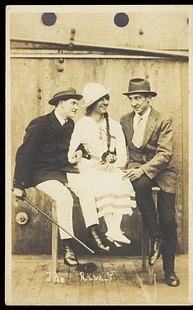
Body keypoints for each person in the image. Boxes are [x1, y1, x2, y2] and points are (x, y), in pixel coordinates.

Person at [13, 86, 110, 268]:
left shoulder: (70, 125)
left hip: (63, 170)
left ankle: (93, 231)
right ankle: (68, 248)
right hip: (42, 173)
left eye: (78, 103)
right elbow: (25, 154)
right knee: (64, 197)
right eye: (73, 103)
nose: (76, 107)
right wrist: (19, 184)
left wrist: (80, 152)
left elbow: (76, 145)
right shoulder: (40, 124)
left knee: (85, 186)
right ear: (60, 104)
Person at [120, 78, 180, 287]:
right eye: (131, 99)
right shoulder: (125, 120)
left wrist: (143, 169)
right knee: (140, 185)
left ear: (148, 99)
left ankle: (169, 271)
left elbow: (165, 154)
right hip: (137, 170)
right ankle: (156, 237)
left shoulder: (162, 119)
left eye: (138, 98)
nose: (134, 103)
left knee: (168, 221)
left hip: (162, 172)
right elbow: (123, 149)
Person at [68, 83, 136, 247]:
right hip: (90, 168)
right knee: (100, 181)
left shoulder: (114, 125)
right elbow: (71, 154)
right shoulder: (82, 124)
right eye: (101, 99)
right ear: (91, 104)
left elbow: (122, 154)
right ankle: (113, 230)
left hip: (112, 167)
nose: (105, 102)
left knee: (119, 179)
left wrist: (114, 165)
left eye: (106, 98)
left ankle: (114, 229)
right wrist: (92, 165)